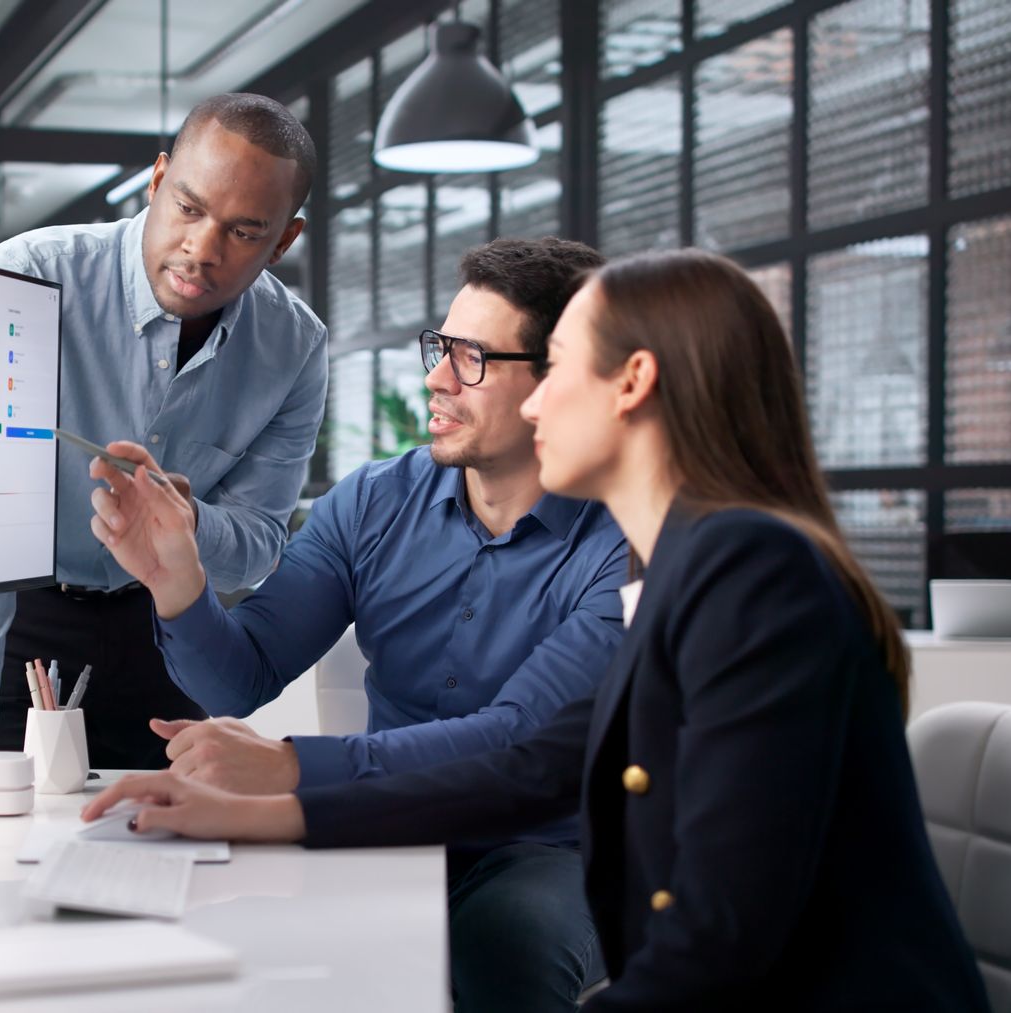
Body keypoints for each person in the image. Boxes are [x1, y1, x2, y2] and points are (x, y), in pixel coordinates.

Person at [83, 249, 992, 1011]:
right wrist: (260, 807)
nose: (536, 401)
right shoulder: (696, 562)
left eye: (557, 366)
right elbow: (531, 764)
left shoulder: (747, 572)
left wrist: (279, 786)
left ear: (632, 382)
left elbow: (717, 935)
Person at [90, 238, 627, 1010]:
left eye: (472, 358)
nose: (437, 379)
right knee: (244, 934)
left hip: (551, 841)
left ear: (558, 380)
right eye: (441, 347)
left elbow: (517, 741)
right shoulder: (375, 501)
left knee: (507, 941)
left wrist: (288, 766)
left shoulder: (623, 542)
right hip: (390, 821)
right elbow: (240, 678)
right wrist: (177, 584)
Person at [0, 93, 328, 771]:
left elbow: (257, 548)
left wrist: (184, 525)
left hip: (169, 628)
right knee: (3, 845)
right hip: (24, 618)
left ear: (283, 241)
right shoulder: (26, 275)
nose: (200, 249)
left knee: (171, 851)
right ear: (155, 182)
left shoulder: (295, 346)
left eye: (242, 231)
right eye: (188, 207)